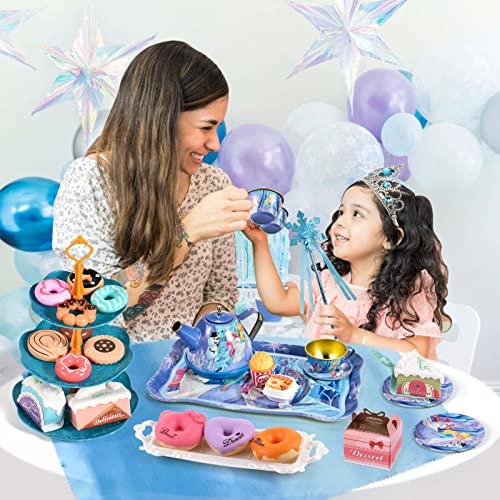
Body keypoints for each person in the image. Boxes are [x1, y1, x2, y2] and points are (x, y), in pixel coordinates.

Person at [52, 41, 252, 342]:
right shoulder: (90, 181)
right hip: (119, 365)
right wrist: (184, 234)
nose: (215, 144)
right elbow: (95, 312)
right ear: (161, 120)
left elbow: (220, 293)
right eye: (205, 127)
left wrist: (204, 348)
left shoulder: (213, 184)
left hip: (189, 367)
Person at [243, 166, 451, 360]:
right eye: (341, 212)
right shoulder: (327, 284)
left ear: (391, 238)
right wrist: (259, 242)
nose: (340, 221)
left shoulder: (410, 291)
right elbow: (277, 302)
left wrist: (355, 335)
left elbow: (418, 352)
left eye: (357, 214)